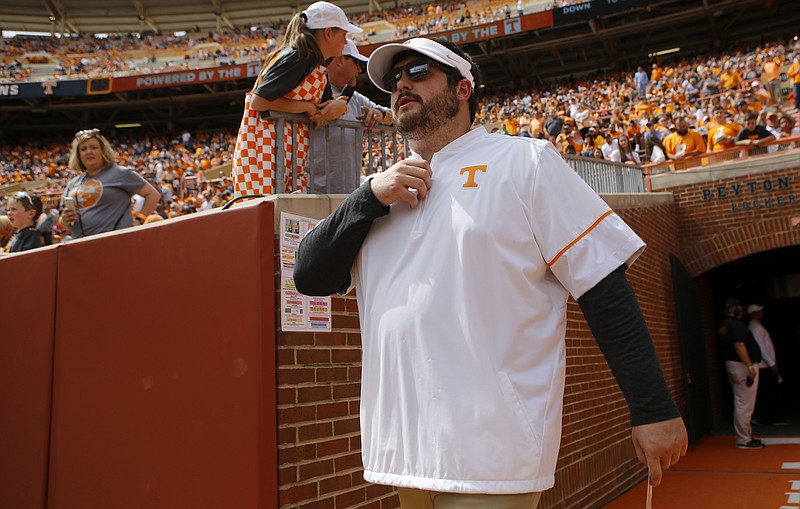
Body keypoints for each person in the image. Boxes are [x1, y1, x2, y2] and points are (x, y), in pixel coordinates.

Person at [294, 37, 687, 509]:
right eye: (393, 79)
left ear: (462, 89)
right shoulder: (381, 193)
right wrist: (366, 198)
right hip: (405, 456)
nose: (400, 83)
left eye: (418, 71)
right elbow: (309, 277)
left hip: (492, 455)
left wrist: (654, 410)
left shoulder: (524, 161)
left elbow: (604, 289)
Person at [231, 1, 361, 197]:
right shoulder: (298, 56)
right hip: (263, 155)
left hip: (287, 156)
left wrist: (339, 105)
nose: (345, 41)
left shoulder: (317, 66)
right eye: (343, 34)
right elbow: (259, 101)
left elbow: (324, 104)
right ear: (328, 33)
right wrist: (306, 106)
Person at [308, 39, 392, 194]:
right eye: (356, 63)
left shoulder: (356, 99)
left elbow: (394, 117)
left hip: (347, 195)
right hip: (311, 194)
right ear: (341, 60)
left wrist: (381, 114)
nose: (360, 70)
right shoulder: (310, 91)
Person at [60, 129, 160, 239]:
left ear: (103, 150)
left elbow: (153, 194)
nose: (89, 152)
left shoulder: (121, 173)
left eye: (94, 147)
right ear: (78, 155)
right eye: (83, 149)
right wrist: (64, 220)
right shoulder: (73, 183)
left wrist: (139, 220)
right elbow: (64, 224)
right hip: (80, 246)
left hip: (115, 243)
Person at [718, 299, 764, 449]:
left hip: (733, 365)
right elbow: (739, 345)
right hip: (741, 366)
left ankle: (744, 436)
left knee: (741, 401)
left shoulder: (724, 325)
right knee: (744, 403)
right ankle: (744, 439)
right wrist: (750, 365)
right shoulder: (736, 325)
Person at [747, 304, 785, 425]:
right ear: (753, 313)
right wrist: (772, 363)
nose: (761, 312)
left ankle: (771, 416)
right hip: (764, 365)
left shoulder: (755, 327)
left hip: (765, 364)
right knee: (768, 392)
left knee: (767, 392)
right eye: (758, 311)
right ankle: (770, 417)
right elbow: (761, 348)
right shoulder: (755, 328)